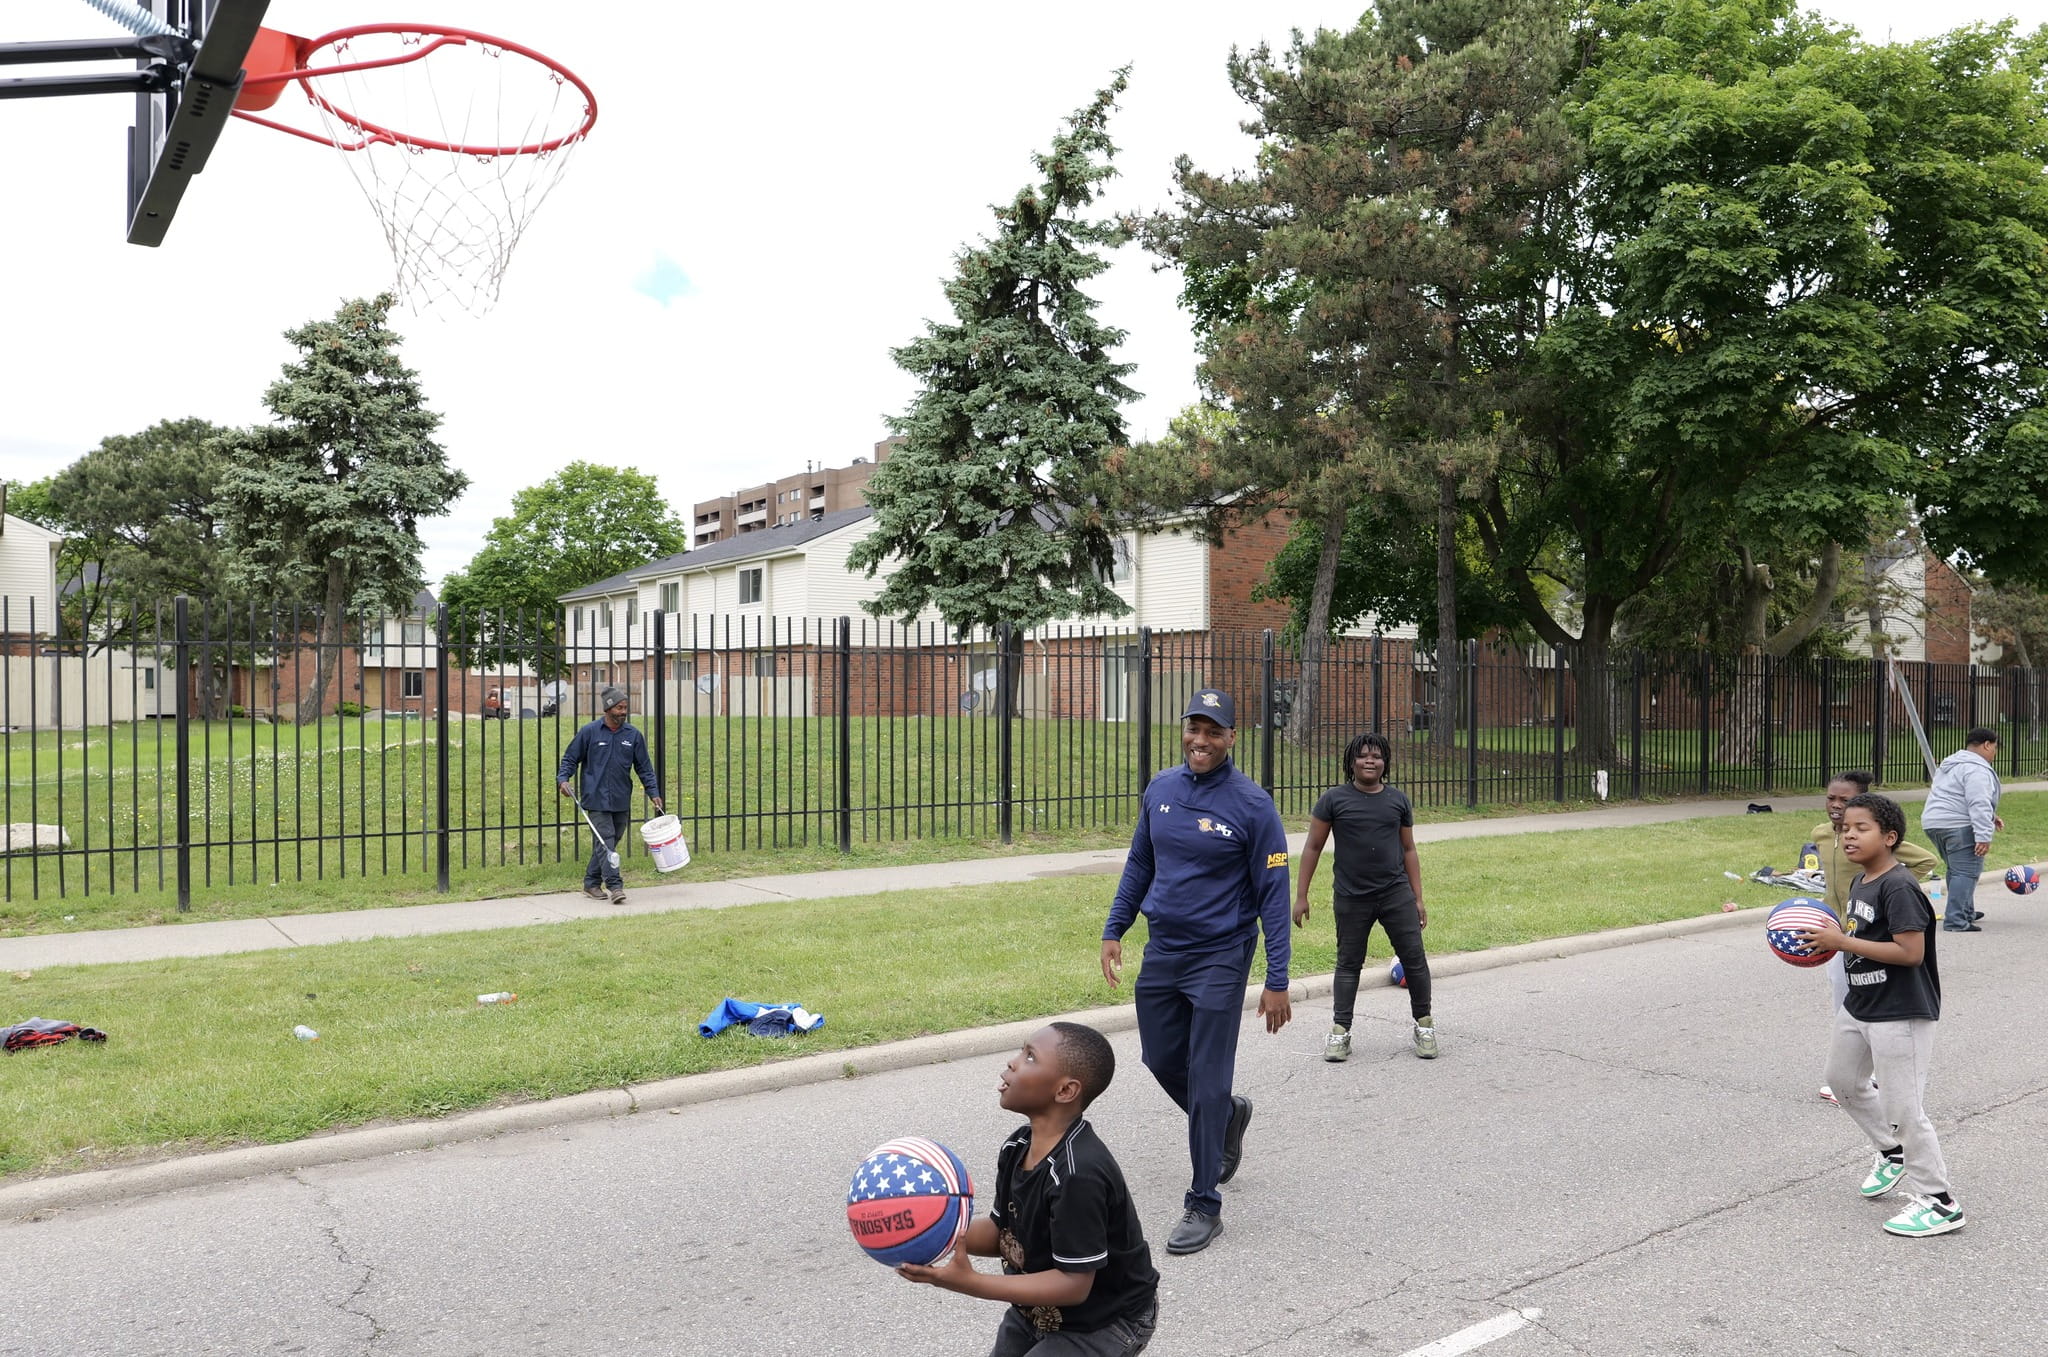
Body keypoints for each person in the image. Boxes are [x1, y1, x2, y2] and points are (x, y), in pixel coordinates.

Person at [1100, 688, 1291, 1257]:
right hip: (1165, 951)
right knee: (1159, 1058)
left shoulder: (1253, 806)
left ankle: (1205, 1202)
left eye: (1214, 731)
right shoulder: (1161, 789)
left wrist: (1275, 979)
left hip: (1221, 956)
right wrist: (1116, 926)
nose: (1200, 741)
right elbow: (1141, 860)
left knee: (1207, 1075)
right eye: (1194, 729)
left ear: (1233, 738)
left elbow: (1274, 897)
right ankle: (1227, 1116)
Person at [897, 1022, 1159, 1356]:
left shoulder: (1078, 1175)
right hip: (1038, 1313)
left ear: (1065, 1091)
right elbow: (1000, 1231)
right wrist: (929, 1233)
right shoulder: (1017, 1146)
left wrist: (969, 1282)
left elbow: (1073, 1284)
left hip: (1106, 1320)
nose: (1013, 1062)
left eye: (1031, 1057)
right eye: (1022, 1051)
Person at [1788, 792, 1962, 1237]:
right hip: (1860, 1005)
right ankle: (1891, 1151)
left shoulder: (1899, 886)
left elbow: (1909, 952)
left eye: (1861, 828)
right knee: (1843, 1081)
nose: (1848, 835)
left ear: (1890, 837)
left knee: (1905, 1108)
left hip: (1900, 1010)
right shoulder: (1862, 881)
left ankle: (1940, 1202)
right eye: (1845, 828)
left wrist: (1841, 943)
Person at [1294, 731, 1435, 1061]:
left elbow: (1409, 849)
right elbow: (1313, 847)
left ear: (1385, 763)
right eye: (1363, 755)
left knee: (1414, 959)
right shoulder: (1333, 800)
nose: (1370, 760)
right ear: (1351, 762)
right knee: (1348, 964)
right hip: (1351, 896)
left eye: (1377, 756)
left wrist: (1417, 897)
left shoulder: (1397, 800)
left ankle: (1424, 1024)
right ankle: (1340, 1031)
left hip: (1395, 893)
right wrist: (1301, 895)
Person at [1811, 771, 1939, 1105]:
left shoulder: (1892, 877)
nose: (1837, 806)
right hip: (1836, 930)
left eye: (1846, 800)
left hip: (1862, 936)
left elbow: (1926, 860)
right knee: (1845, 1001)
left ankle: (1873, 1077)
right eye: (1831, 798)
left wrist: (1886, 890)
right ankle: (1855, 1073)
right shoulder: (1822, 835)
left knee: (1868, 1002)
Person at [556, 684, 662, 904]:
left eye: (625, 707)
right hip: (595, 798)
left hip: (621, 798)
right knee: (606, 842)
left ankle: (590, 882)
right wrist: (563, 780)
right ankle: (615, 886)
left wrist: (654, 793)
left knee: (609, 842)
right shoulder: (589, 732)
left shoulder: (633, 735)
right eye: (619, 708)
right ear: (608, 708)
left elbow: (644, 767)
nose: (623, 712)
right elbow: (569, 759)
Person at [1920, 727, 2003, 933]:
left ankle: (1965, 911)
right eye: (1995, 747)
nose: (1995, 753)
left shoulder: (1951, 764)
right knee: (1967, 871)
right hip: (1958, 825)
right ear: (1986, 744)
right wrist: (1983, 836)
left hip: (1934, 823)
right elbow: (1978, 801)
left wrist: (1991, 818)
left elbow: (1955, 796)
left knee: (1956, 870)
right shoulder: (1977, 769)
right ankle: (1956, 920)